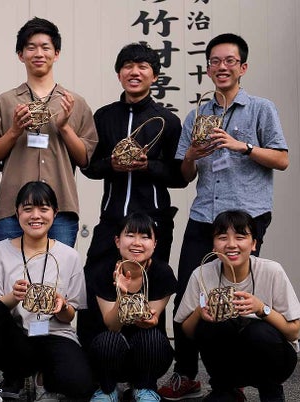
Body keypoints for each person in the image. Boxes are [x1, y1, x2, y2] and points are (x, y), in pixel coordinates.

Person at [159, 33, 289, 400]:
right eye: (215, 61)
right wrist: (191, 155)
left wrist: (241, 146)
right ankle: (186, 374)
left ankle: (233, 379)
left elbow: (282, 159)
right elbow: (185, 175)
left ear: (242, 67)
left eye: (230, 61)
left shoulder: (261, 108)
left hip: (246, 218)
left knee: (238, 297)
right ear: (208, 68)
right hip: (204, 215)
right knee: (188, 293)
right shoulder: (196, 115)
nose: (222, 67)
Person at [77, 43, 186, 348]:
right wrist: (110, 164)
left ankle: (147, 362)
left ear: (155, 76)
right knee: (94, 280)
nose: (134, 72)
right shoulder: (104, 117)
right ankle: (93, 358)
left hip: (154, 222)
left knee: (151, 286)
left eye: (142, 67)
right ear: (118, 73)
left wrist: (148, 166)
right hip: (112, 220)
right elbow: (89, 166)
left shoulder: (167, 120)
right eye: (128, 66)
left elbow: (180, 176)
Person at [0, 181, 94, 402]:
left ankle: (41, 378)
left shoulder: (69, 256)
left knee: (80, 385)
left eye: (43, 209)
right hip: (16, 338)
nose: (35, 216)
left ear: (55, 212)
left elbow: (70, 316)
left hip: (54, 334)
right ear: (17, 212)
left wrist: (62, 305)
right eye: (28, 209)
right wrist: (13, 297)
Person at [0, 17, 98, 247]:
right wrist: (14, 131)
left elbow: (85, 159)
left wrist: (64, 127)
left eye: (45, 47)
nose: (39, 53)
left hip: (60, 208)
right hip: (12, 209)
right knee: (11, 269)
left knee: (57, 270)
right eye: (31, 47)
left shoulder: (74, 103)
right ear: (20, 55)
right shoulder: (5, 102)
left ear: (56, 54)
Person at [174, 210, 299, 402]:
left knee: (258, 332)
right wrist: (200, 312)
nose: (231, 244)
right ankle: (225, 390)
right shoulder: (201, 274)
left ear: (254, 244)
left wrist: (261, 308)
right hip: (230, 362)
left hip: (275, 361)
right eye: (222, 237)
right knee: (212, 324)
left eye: (240, 237)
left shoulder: (272, 271)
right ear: (213, 245)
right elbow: (189, 332)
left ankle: (271, 390)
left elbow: (294, 332)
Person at [86, 213, 176, 402]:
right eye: (130, 235)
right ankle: (107, 389)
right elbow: (113, 325)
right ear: (117, 241)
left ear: (155, 244)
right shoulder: (102, 271)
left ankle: (145, 387)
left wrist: (150, 319)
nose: (137, 243)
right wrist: (122, 295)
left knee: (152, 338)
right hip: (109, 352)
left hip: (147, 352)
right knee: (107, 340)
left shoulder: (162, 273)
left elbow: (152, 319)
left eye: (145, 237)